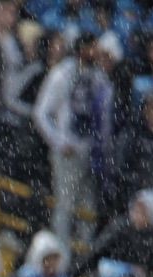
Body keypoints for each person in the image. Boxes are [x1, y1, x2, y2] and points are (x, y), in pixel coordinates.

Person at [33, 33, 112, 248]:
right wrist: (59, 142)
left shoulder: (99, 76)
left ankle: (84, 261)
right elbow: (40, 113)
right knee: (65, 209)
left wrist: (102, 150)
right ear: (81, 48)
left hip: (91, 154)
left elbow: (104, 117)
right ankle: (60, 260)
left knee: (89, 210)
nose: (95, 52)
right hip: (68, 154)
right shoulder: (61, 74)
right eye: (91, 46)